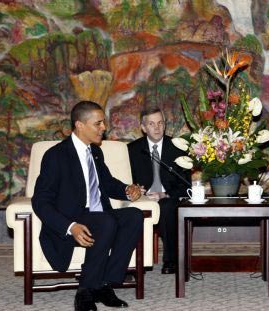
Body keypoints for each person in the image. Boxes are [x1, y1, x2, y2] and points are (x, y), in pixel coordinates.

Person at [32, 101, 145, 311]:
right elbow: (40, 201)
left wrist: (127, 190)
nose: (104, 127)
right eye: (98, 123)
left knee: (134, 216)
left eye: (103, 123)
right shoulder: (56, 155)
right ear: (80, 125)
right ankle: (85, 290)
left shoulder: (95, 152)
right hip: (71, 221)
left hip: (100, 217)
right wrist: (70, 226)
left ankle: (103, 284)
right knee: (106, 220)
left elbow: (107, 182)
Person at [128, 107, 191, 275]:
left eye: (160, 123)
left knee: (166, 206)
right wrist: (137, 190)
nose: (157, 128)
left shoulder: (178, 148)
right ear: (143, 127)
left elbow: (186, 185)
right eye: (151, 124)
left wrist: (165, 194)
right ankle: (130, 262)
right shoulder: (131, 150)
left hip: (167, 197)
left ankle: (170, 260)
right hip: (141, 198)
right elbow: (124, 180)